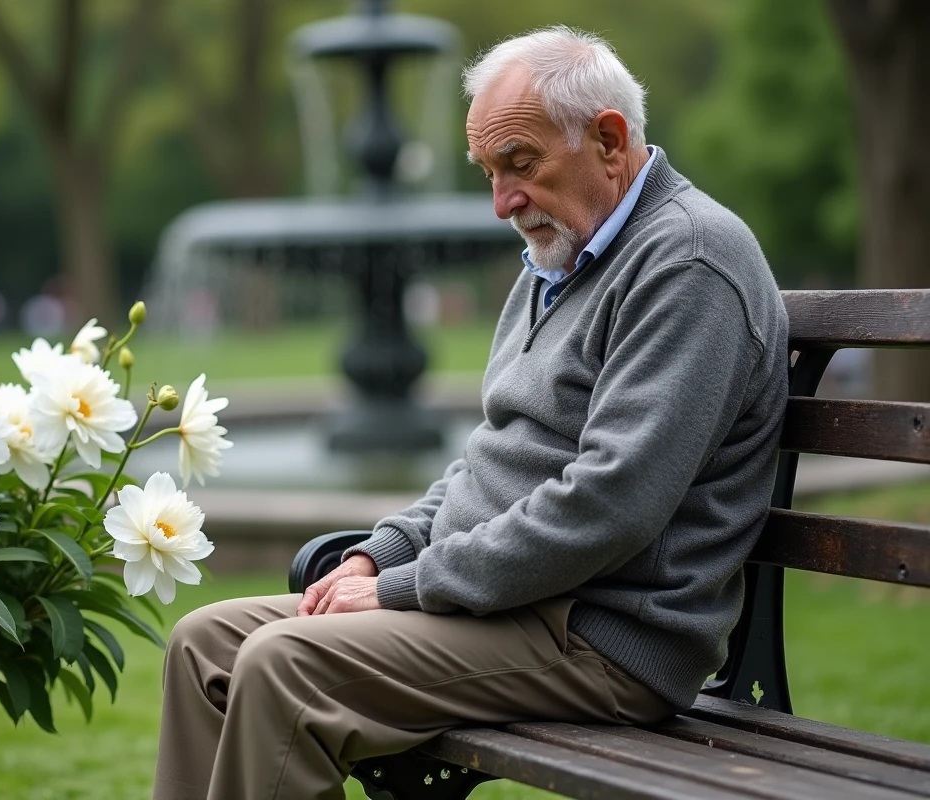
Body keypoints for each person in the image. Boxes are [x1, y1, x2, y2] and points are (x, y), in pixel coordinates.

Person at [153, 26, 789, 800]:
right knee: (203, 642)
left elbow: (611, 505)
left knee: (284, 666)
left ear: (610, 139)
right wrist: (379, 555)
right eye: (488, 173)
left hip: (601, 634)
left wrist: (401, 588)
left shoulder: (689, 262)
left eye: (520, 165)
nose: (501, 203)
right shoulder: (557, 259)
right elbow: (490, 459)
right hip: (509, 607)